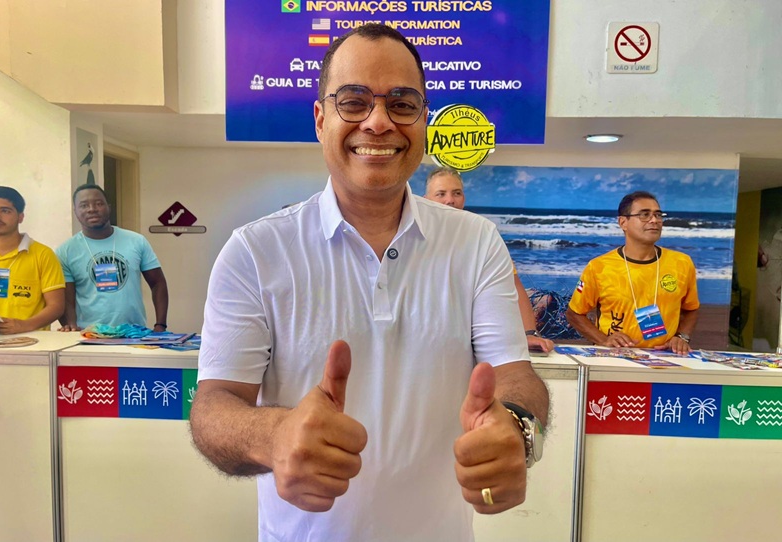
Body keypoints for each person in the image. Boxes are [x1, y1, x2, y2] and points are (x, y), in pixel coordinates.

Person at [191, 24, 549, 542]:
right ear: (321, 119)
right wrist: (274, 435)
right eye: (353, 101)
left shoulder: (476, 243)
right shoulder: (255, 251)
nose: (379, 123)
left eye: (402, 103)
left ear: (423, 121)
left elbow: (515, 376)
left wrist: (516, 429)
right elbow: (213, 404)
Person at [424, 167, 555, 352]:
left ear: (464, 198)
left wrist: (529, 333)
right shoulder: (412, 237)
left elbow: (513, 286)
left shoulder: (483, 236)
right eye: (441, 194)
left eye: (457, 193)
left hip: (472, 340)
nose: (450, 200)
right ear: (426, 199)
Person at [566, 190, 699, 354]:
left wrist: (682, 336)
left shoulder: (681, 263)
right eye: (644, 215)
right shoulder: (599, 267)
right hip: (615, 356)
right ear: (623, 222)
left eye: (658, 215)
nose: (654, 220)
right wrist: (604, 339)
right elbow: (574, 314)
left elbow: (691, 308)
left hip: (665, 356)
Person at [56, 184, 169, 332]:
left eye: (98, 203)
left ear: (108, 207)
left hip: (134, 333)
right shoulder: (66, 251)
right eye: (84, 205)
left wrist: (160, 324)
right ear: (75, 211)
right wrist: (71, 326)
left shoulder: (136, 241)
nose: (92, 209)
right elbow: (67, 299)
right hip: (89, 335)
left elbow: (158, 283)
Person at [0, 186, 65, 333]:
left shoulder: (43, 254)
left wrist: (24, 325)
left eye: (5, 211)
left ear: (20, 217)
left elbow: (56, 306)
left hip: (32, 341)